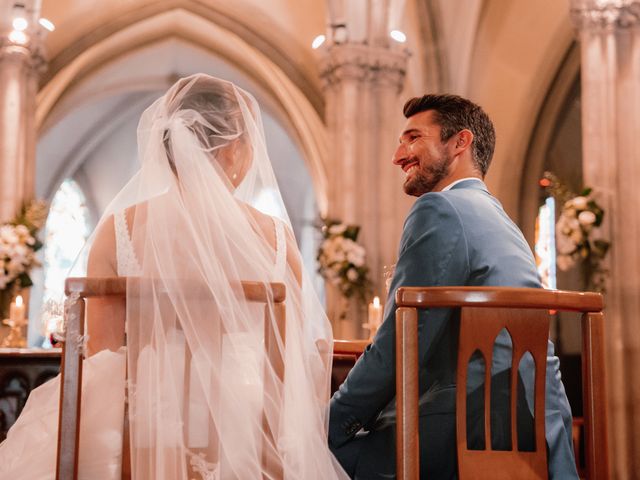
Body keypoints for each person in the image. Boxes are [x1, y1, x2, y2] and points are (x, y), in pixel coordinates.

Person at [0, 74, 348, 479]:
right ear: (234, 149)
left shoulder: (119, 231)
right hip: (247, 426)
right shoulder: (274, 238)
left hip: (146, 419)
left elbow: (102, 357)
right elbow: (291, 358)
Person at [328, 94, 578, 479]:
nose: (398, 155)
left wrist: (330, 420)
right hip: (530, 424)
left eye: (413, 138)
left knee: (310, 453)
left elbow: (402, 343)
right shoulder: (499, 218)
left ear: (460, 142)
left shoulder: (440, 209)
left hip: (468, 429)